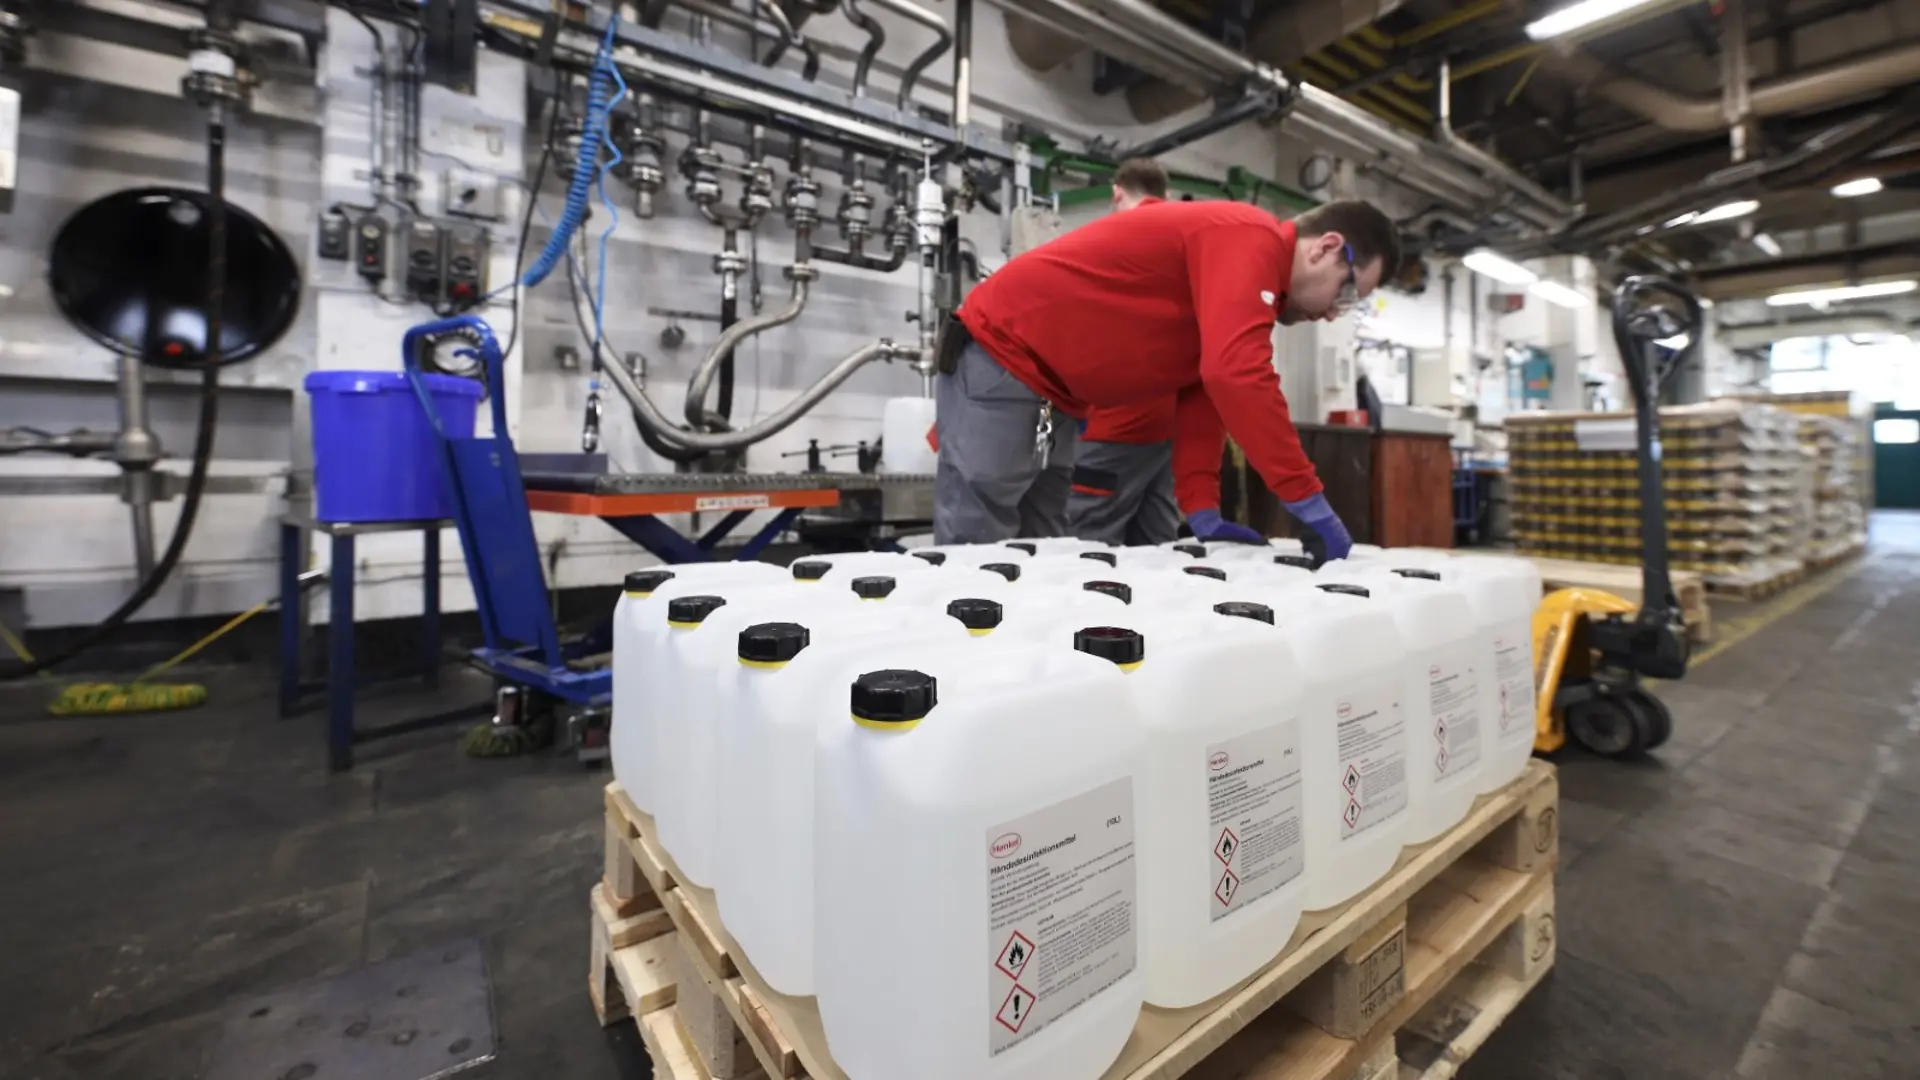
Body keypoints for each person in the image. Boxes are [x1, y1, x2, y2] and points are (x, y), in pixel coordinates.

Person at [932, 198, 1400, 559]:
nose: (1332, 315)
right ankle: (960, 655)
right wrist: (1305, 498)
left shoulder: (1247, 282)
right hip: (1004, 358)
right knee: (978, 546)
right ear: (1326, 248)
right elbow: (1236, 373)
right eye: (1346, 295)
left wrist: (1202, 507)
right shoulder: (1249, 237)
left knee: (1039, 550)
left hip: (1054, 398)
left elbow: (1204, 391)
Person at [1066, 159, 1184, 547]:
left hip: (1113, 431)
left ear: (1116, 193)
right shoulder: (1185, 246)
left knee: (1087, 551)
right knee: (1155, 549)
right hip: (1167, 429)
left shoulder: (1106, 241)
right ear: (1165, 195)